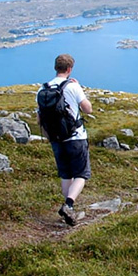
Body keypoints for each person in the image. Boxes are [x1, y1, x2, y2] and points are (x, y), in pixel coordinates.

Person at [39, 53, 93, 226]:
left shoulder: (43, 89)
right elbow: (88, 109)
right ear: (70, 69)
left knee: (65, 175)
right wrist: (79, 89)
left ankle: (68, 209)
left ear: (56, 67)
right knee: (81, 174)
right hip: (75, 137)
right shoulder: (72, 86)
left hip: (56, 139)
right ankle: (69, 205)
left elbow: (40, 119)